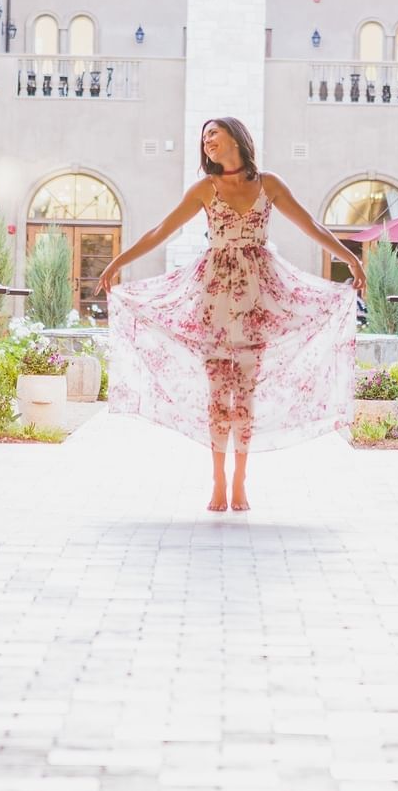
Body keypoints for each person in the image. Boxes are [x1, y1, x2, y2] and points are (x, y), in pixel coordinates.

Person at [96, 117, 366, 513]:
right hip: (215, 293)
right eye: (203, 137)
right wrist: (117, 262)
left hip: (259, 294)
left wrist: (350, 258)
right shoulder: (206, 189)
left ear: (235, 138)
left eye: (213, 134)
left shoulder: (268, 184)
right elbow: (160, 230)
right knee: (218, 392)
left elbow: (310, 224)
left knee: (246, 391)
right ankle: (217, 479)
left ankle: (241, 478)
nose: (206, 142)